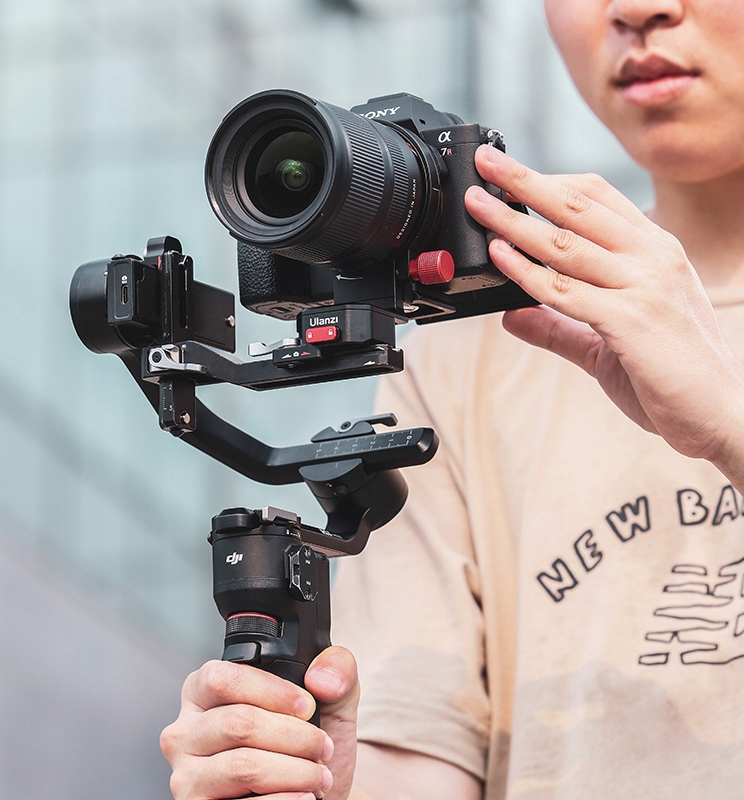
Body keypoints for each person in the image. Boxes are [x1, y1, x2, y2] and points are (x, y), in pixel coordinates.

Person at [159, 0, 744, 797]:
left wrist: (730, 429)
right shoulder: (493, 339)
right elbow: (421, 751)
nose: (639, 10)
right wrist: (308, 776)